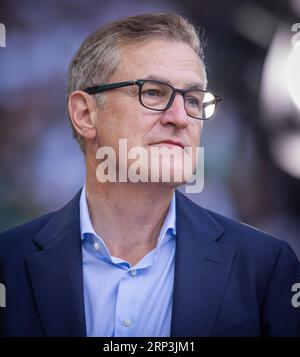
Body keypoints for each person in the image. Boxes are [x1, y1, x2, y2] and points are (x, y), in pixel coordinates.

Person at [0, 13, 299, 337]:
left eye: (194, 100)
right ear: (85, 114)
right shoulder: (7, 264)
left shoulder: (266, 267)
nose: (180, 117)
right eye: (154, 93)